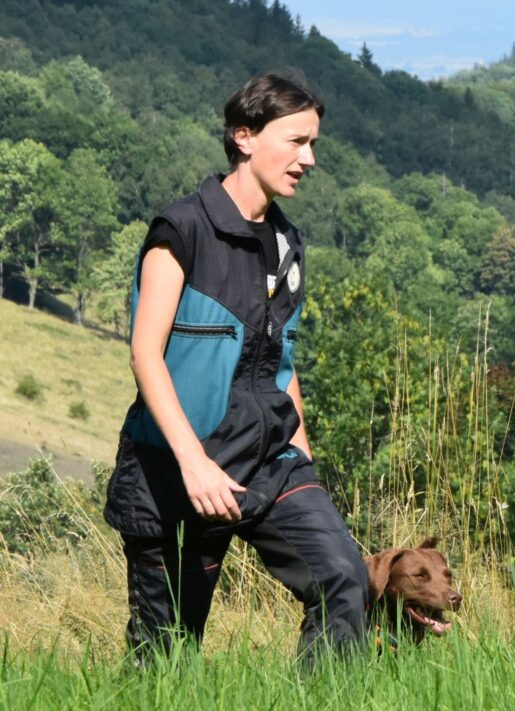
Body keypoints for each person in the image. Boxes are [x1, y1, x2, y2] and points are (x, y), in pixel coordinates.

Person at [103, 72, 367, 665]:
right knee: (165, 658)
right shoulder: (182, 231)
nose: (310, 159)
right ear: (244, 137)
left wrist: (304, 459)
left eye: (314, 144)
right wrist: (193, 465)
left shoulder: (287, 243)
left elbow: (282, 361)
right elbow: (146, 354)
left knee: (343, 578)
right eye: (296, 141)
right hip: (177, 474)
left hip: (271, 463)